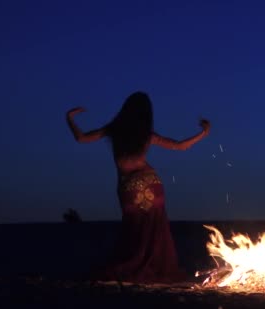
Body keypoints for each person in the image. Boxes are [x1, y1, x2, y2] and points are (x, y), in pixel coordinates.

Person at [66, 91, 210, 284]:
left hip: (129, 187)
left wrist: (69, 118)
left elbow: (81, 138)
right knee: (155, 229)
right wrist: (203, 133)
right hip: (152, 183)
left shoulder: (114, 129)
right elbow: (180, 146)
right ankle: (153, 266)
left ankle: (135, 265)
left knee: (133, 227)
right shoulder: (147, 135)